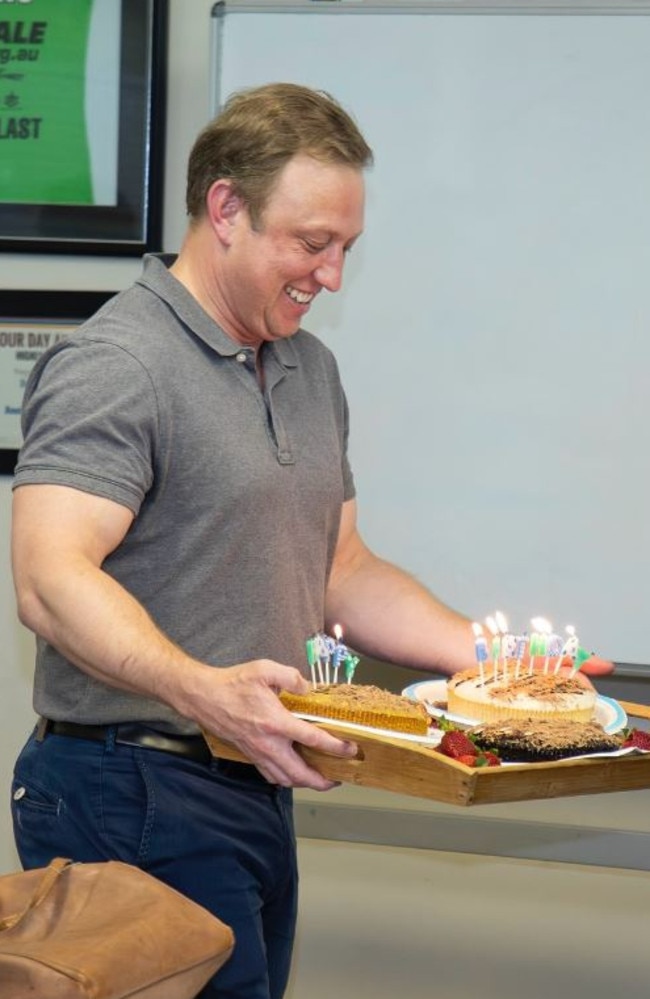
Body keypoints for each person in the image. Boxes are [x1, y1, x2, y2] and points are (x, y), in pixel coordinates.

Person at [9, 82, 610, 999]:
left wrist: (501, 670)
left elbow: (343, 570)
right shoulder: (116, 363)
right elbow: (49, 578)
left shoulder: (307, 366)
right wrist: (204, 690)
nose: (330, 276)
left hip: (253, 785)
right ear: (225, 210)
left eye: (346, 249)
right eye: (312, 243)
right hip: (127, 785)